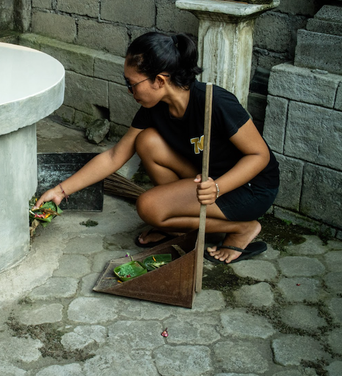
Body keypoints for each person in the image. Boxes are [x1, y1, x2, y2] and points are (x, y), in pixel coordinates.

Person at [34, 32, 279, 264]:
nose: (129, 91)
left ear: (160, 80)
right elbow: (114, 156)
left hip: (248, 187)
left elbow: (259, 155)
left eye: (132, 84)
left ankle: (242, 227)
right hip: (206, 178)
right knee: (146, 141)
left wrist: (218, 187)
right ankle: (173, 222)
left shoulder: (215, 102)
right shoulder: (154, 108)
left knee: (148, 206)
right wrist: (61, 190)